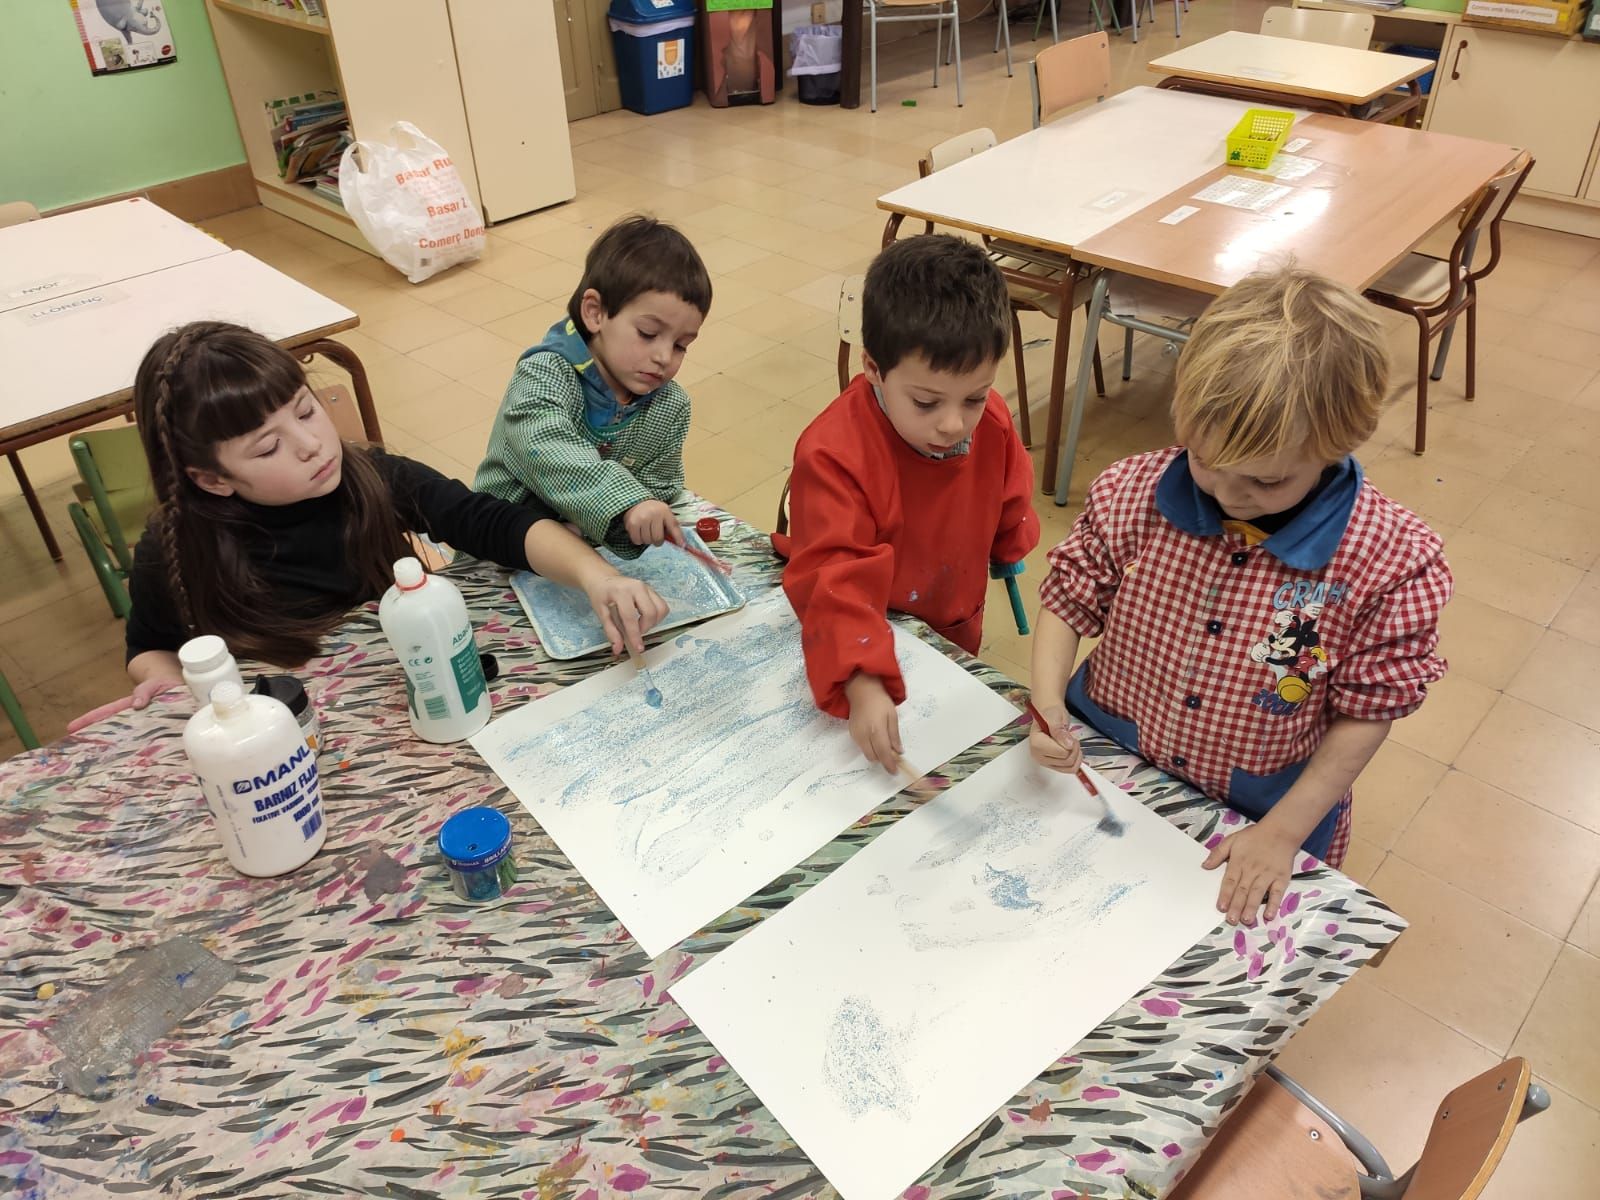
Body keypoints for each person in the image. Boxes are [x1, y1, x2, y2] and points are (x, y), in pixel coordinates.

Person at [1028, 266, 1452, 926]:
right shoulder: (1132, 491)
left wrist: (1282, 833)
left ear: (1337, 444)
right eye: (1204, 460)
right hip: (1108, 754)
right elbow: (1068, 596)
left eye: (1266, 481)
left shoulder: (1393, 562)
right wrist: (1047, 702)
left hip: (1261, 808)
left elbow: (1367, 713)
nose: (1228, 494)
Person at [120, 321, 668, 707]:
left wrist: (597, 576)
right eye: (268, 447)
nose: (312, 445)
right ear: (212, 479)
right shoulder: (173, 548)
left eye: (306, 411)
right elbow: (149, 648)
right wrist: (167, 686)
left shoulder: (372, 477)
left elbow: (493, 523)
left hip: (402, 689)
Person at [776, 234, 1039, 770]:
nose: (953, 424)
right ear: (874, 368)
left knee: (945, 729)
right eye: (925, 402)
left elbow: (1010, 488)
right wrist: (861, 676)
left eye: (974, 396)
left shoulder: (990, 422)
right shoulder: (833, 454)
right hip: (863, 627)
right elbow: (833, 574)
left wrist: (1011, 537)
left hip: (952, 615)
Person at [475, 215, 711, 557]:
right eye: (648, 333)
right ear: (595, 313)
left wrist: (645, 516)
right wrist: (629, 502)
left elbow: (659, 487)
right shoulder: (543, 375)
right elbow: (548, 448)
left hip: (597, 557)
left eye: (680, 345)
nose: (663, 357)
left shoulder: (669, 407)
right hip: (503, 553)